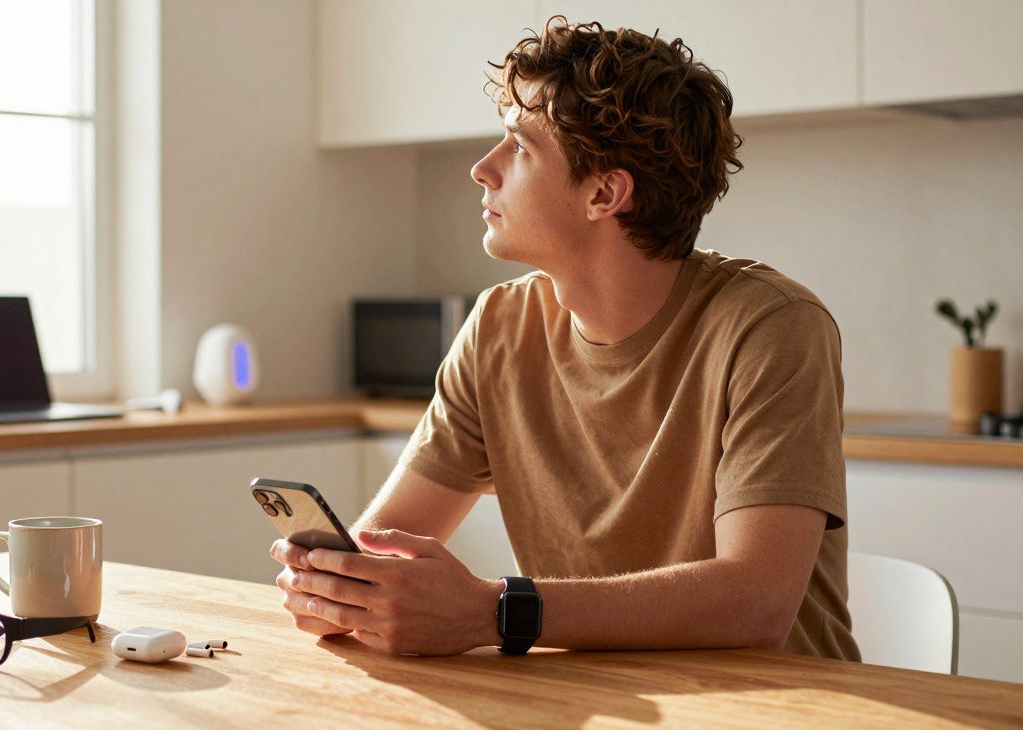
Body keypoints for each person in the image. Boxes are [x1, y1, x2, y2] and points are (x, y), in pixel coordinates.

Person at [271, 16, 859, 661]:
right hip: (588, 703)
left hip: (776, 711)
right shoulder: (499, 326)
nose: (481, 169)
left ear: (604, 193)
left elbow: (755, 602)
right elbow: (385, 542)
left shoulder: (771, 326)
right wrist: (342, 590)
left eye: (519, 146)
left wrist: (492, 611)